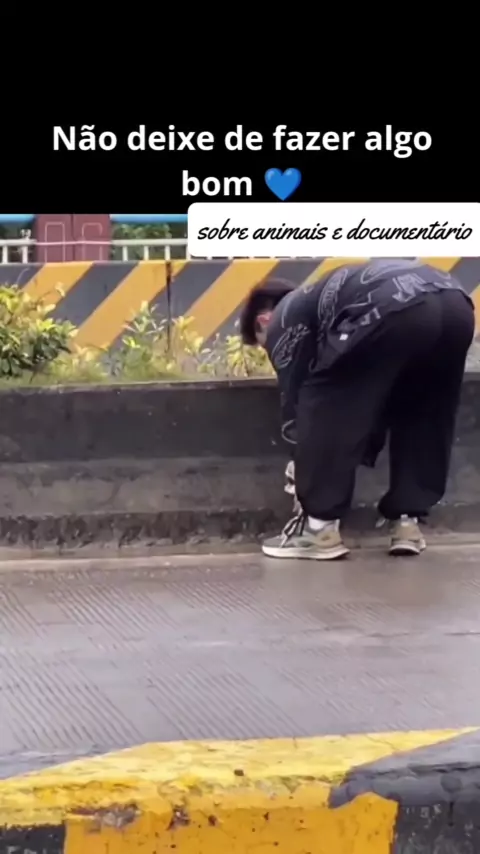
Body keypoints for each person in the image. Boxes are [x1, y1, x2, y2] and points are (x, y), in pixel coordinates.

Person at [239, 260, 475, 560]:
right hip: (455, 304)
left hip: (391, 308)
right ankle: (407, 523)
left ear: (263, 321)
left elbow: (299, 403)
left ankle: (319, 530)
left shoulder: (284, 317)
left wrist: (303, 464)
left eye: (264, 345)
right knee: (424, 408)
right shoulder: (325, 299)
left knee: (323, 398)